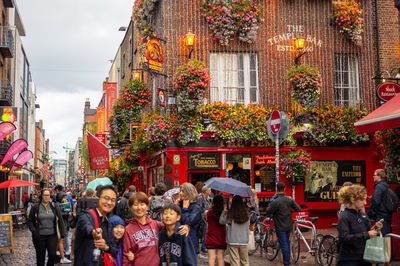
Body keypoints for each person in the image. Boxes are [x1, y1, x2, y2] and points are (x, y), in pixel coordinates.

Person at [122, 192, 189, 266]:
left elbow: (171, 227)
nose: (139, 208)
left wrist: (185, 227)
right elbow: (126, 257)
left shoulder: (156, 224)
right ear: (131, 207)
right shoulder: (128, 230)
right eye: (135, 204)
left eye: (142, 204)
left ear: (147, 206)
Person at [337, 184, 383, 265]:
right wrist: (366, 235)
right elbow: (343, 238)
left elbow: (368, 233)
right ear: (352, 199)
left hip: (365, 257)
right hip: (350, 259)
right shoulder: (344, 216)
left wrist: (377, 230)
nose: (365, 203)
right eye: (362, 200)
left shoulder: (363, 215)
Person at [74, 185, 118, 266]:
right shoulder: (86, 216)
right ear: (97, 198)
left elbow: (114, 250)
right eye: (106, 198)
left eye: (113, 200)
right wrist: (94, 233)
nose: (109, 203)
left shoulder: (108, 222)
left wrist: (106, 247)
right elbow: (87, 227)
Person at [27, 188, 67, 265]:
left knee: (52, 255)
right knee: (40, 257)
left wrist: (62, 233)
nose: (46, 197)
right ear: (41, 196)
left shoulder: (54, 206)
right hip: (40, 236)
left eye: (48, 195)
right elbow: (30, 221)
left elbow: (60, 220)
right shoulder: (36, 207)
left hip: (52, 235)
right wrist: (34, 231)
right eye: (45, 195)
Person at [266, 182, 301, 266]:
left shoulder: (275, 201)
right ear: (284, 189)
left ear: (276, 189)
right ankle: (286, 262)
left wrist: (271, 203)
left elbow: (268, 211)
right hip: (288, 225)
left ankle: (286, 263)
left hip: (279, 226)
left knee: (284, 245)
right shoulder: (289, 199)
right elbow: (298, 209)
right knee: (286, 243)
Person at [219, 195, 250, 266]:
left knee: (234, 262)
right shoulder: (246, 214)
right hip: (244, 241)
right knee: (245, 262)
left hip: (232, 240)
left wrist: (224, 211)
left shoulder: (230, 214)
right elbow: (248, 225)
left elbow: (221, 221)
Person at [177, 182, 202, 254]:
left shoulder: (195, 207)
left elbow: (188, 222)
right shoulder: (180, 205)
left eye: (183, 191)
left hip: (190, 243)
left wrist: (185, 209)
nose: (180, 193)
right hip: (179, 242)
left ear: (189, 193)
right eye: (180, 191)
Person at [367, 169, 393, 235]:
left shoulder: (379, 186)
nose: (373, 176)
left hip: (380, 215)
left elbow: (376, 201)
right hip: (386, 214)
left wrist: (372, 213)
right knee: (387, 235)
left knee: (382, 235)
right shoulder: (385, 185)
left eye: (374, 175)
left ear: (379, 176)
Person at [205, 195, 226, 266]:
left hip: (211, 237)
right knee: (221, 258)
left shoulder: (209, 212)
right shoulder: (224, 213)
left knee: (211, 258)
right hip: (221, 238)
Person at [56, 192, 72, 263]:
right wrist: (67, 213)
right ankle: (62, 256)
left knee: (61, 240)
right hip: (61, 224)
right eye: (64, 198)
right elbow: (60, 214)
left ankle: (59, 253)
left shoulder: (60, 204)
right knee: (61, 240)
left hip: (64, 224)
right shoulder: (58, 205)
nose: (65, 199)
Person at [198, 185, 212, 254]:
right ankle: (203, 247)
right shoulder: (200, 197)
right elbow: (199, 208)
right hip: (202, 218)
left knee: (205, 232)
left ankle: (204, 246)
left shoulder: (207, 198)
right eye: (209, 190)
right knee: (203, 232)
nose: (210, 191)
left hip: (206, 218)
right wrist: (204, 212)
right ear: (206, 191)